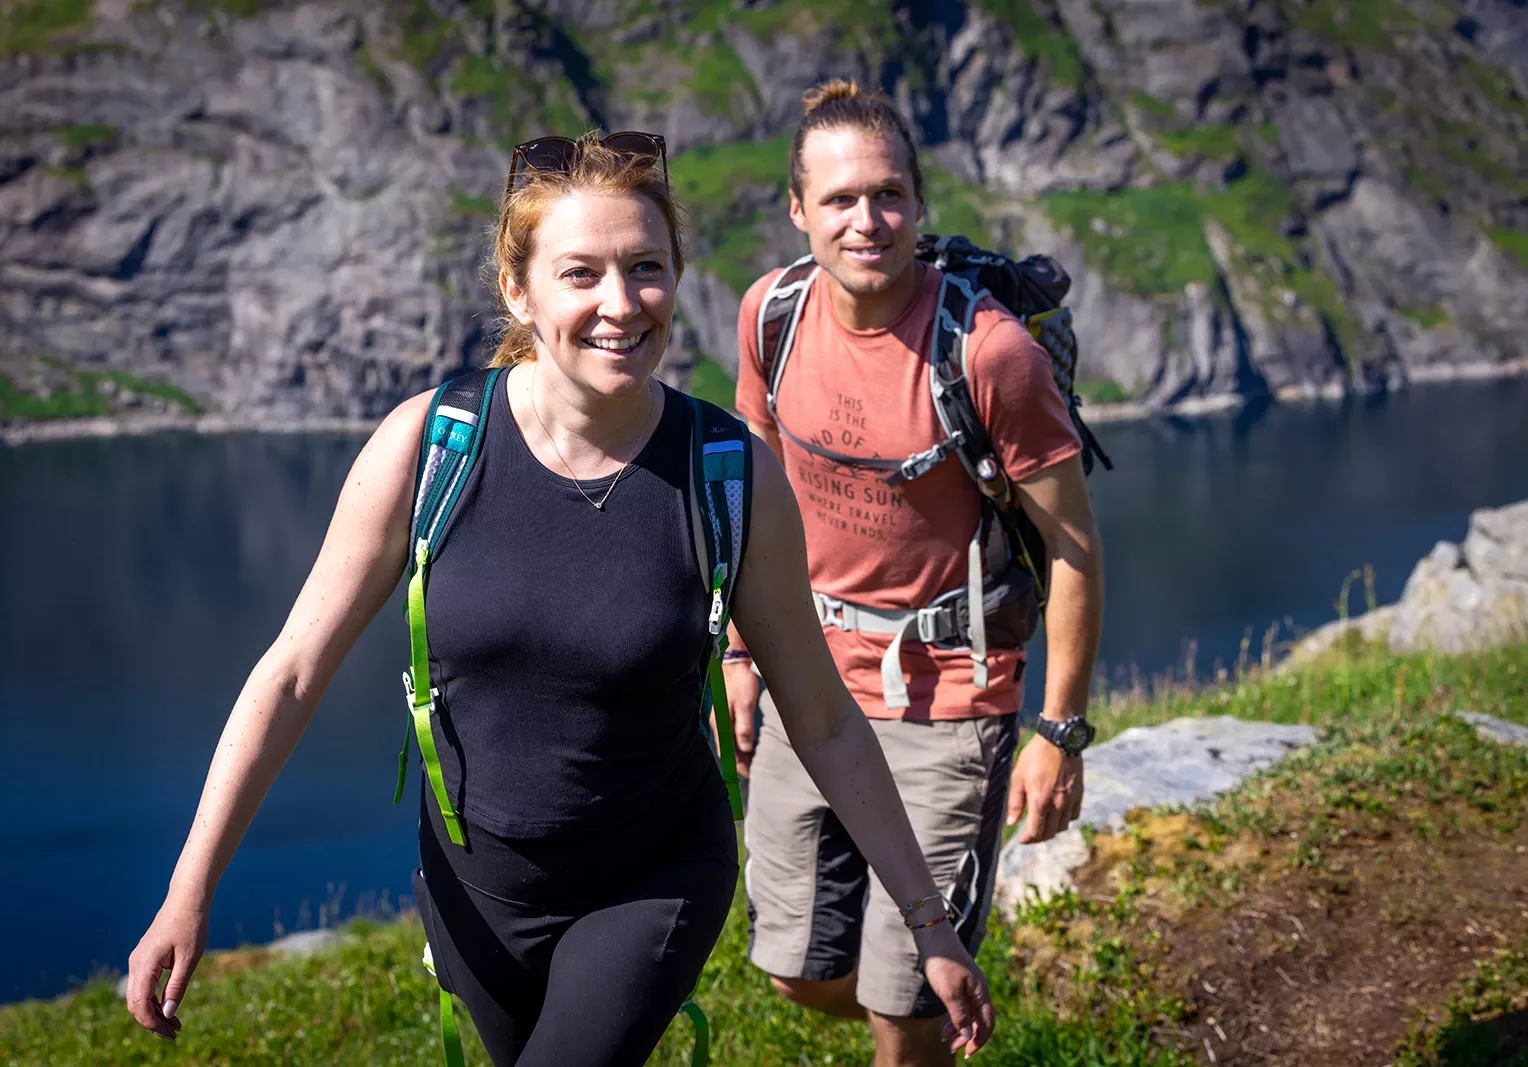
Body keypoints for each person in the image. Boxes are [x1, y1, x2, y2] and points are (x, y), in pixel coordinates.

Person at [124, 131, 996, 1067]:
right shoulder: (431, 446)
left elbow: (822, 719)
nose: (619, 304)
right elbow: (292, 674)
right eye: (580, 273)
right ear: (519, 290)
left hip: (653, 877)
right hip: (475, 893)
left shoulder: (730, 472)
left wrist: (926, 922)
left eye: (646, 269)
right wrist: (190, 890)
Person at [726, 82, 1106, 1067]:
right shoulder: (770, 316)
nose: (868, 219)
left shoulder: (990, 355)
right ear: (798, 209)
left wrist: (1057, 732)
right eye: (842, 198)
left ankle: (926, 1012)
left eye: (888, 194)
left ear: (918, 203)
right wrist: (739, 649)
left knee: (900, 1005)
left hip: (949, 693)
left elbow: (1071, 549)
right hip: (811, 679)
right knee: (797, 968)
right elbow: (758, 498)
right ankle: (939, 1010)